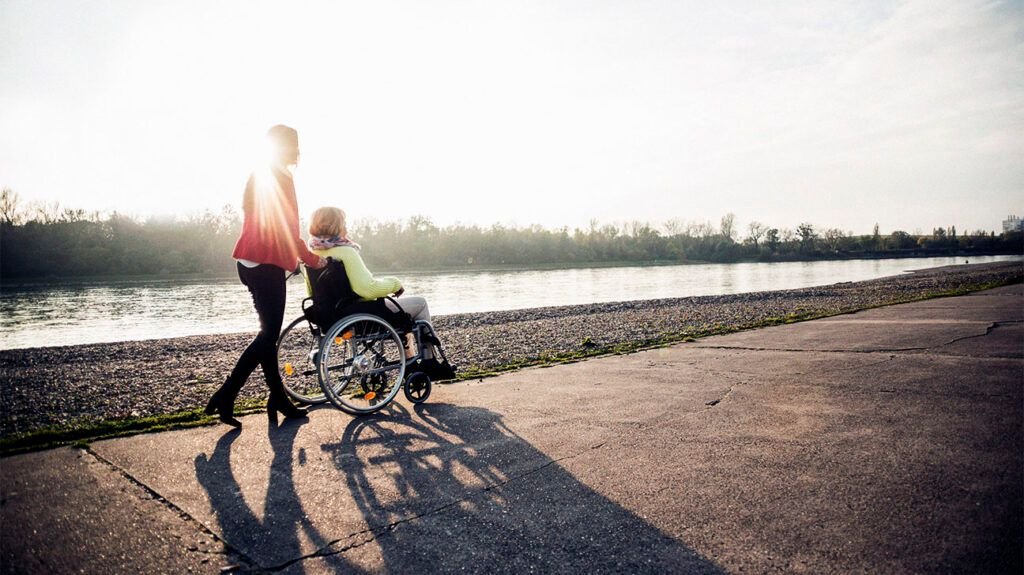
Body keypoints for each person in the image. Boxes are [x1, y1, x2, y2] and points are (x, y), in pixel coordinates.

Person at [205, 125, 326, 428]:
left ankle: (278, 399)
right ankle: (226, 393)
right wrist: (313, 259)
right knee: (268, 336)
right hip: (266, 264)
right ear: (292, 149)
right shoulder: (281, 178)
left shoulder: (259, 174)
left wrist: (291, 257)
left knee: (268, 336)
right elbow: (286, 228)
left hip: (249, 262)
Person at [306, 206, 455, 379]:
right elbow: (367, 289)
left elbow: (312, 293)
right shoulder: (346, 252)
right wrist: (394, 284)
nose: (346, 226)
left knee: (403, 312)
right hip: (360, 315)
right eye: (344, 222)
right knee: (420, 304)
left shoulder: (312, 254)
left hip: (331, 318)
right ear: (336, 226)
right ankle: (429, 362)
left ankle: (412, 360)